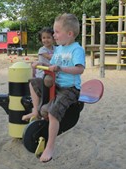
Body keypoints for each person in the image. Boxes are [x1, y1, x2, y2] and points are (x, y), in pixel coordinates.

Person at [22, 13, 85, 163]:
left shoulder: (76, 50)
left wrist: (61, 68)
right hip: (56, 85)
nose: (54, 35)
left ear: (69, 34)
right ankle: (35, 111)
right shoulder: (58, 49)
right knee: (33, 82)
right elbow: (52, 66)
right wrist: (38, 64)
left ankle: (50, 147)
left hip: (70, 88)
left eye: (56, 32)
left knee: (53, 113)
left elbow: (80, 69)